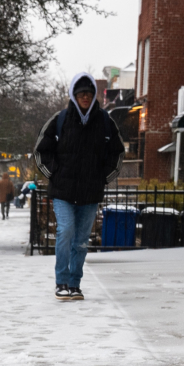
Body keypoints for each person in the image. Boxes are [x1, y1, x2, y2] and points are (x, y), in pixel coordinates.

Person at [34, 73, 124, 301]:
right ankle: (61, 281)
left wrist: (104, 177)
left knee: (82, 240)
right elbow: (40, 151)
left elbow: (117, 153)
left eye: (89, 93)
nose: (86, 97)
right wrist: (53, 173)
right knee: (65, 232)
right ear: (74, 96)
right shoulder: (60, 120)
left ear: (95, 96)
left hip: (90, 192)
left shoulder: (105, 122)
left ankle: (75, 284)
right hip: (63, 191)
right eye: (81, 93)